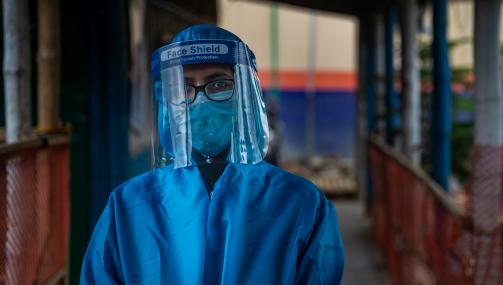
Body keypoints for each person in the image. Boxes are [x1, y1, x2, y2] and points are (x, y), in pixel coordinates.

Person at [80, 24, 344, 284]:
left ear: (244, 93)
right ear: (168, 101)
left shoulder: (300, 202)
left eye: (218, 85)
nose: (200, 100)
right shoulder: (128, 205)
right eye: (184, 88)